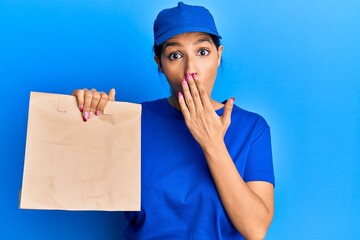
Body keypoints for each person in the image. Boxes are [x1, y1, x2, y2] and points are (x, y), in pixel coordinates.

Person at [72, 2, 275, 239]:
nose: (191, 70)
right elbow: (78, 180)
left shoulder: (252, 128)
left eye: (202, 52)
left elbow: (255, 229)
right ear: (160, 63)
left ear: (218, 56)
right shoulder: (132, 122)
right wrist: (86, 115)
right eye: (175, 55)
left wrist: (212, 143)